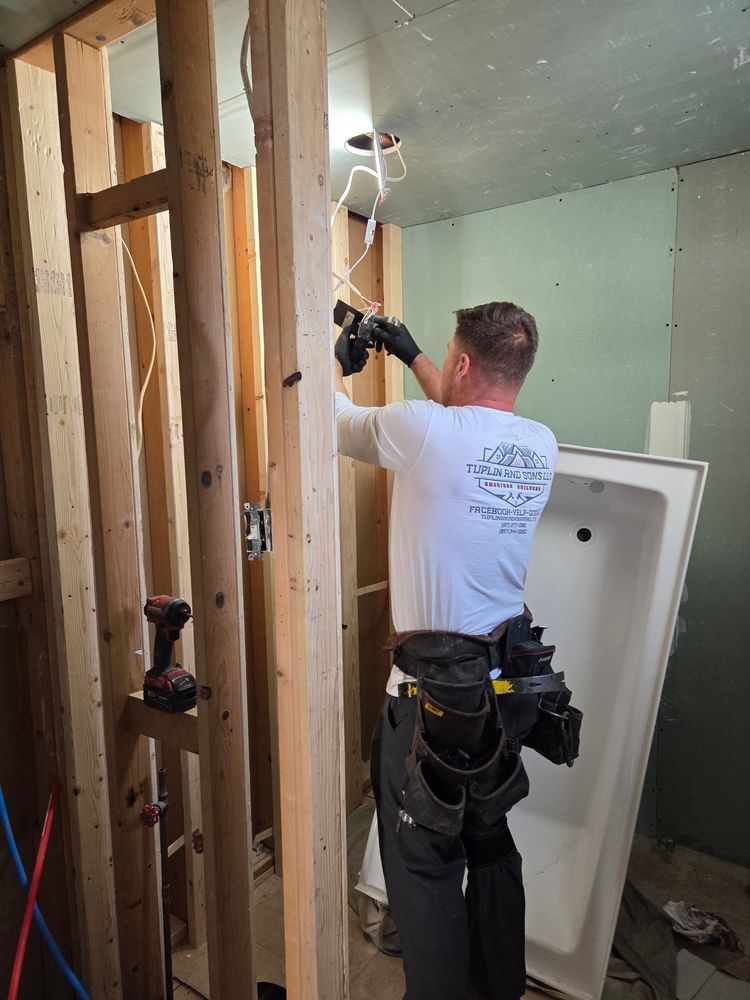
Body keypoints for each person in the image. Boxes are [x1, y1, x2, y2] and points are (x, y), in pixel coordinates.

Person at [334, 301, 558, 1000]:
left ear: (462, 361)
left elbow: (332, 421)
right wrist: (410, 352)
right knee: (485, 844)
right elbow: (465, 417)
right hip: (499, 698)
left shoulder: (420, 430)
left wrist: (334, 360)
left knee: (423, 869)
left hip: (427, 706)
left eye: (447, 357)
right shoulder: (539, 444)